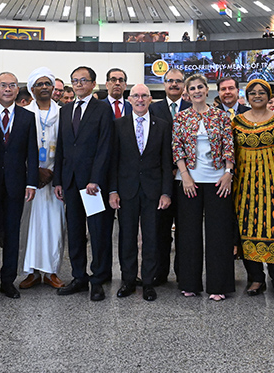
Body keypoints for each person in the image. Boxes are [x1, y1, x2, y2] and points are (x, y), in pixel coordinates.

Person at [233, 79, 274, 301]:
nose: (257, 96)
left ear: (269, 94)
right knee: (247, 230)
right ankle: (256, 278)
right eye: (252, 93)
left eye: (262, 92)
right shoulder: (237, 122)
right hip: (245, 189)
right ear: (247, 96)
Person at [171, 74, 235, 301]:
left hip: (218, 180)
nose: (197, 91)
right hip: (189, 181)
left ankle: (219, 285)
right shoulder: (180, 118)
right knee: (188, 233)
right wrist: (186, 176)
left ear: (207, 90)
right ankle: (189, 282)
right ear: (187, 93)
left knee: (219, 234)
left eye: (200, 87)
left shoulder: (221, 116)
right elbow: (176, 148)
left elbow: (229, 144)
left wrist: (228, 173)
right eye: (192, 88)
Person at [52, 67, 114, 301]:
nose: (78, 84)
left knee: (97, 231)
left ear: (93, 83)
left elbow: (105, 147)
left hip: (92, 184)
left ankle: (98, 278)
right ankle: (79, 276)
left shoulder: (103, 109)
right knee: (75, 231)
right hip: (69, 181)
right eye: (75, 81)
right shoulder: (66, 110)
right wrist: (58, 179)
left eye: (83, 80)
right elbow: (62, 147)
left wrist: (95, 179)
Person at [109, 84, 172, 301]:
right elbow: (113, 161)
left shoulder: (163, 126)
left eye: (144, 95)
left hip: (153, 191)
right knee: (126, 237)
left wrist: (166, 192)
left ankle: (148, 282)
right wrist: (113, 191)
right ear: (129, 99)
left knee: (151, 237)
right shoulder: (118, 125)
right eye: (136, 95)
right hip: (126, 190)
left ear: (150, 99)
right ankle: (128, 280)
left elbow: (166, 162)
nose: (140, 99)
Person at [0, 72, 38, 300]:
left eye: (12, 85)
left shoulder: (26, 117)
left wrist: (31, 181)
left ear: (17, 89)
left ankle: (8, 281)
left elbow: (31, 152)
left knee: (13, 234)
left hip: (16, 183)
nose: (7, 89)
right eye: (3, 85)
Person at [18, 68, 65, 290]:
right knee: (30, 227)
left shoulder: (63, 114)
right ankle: (32, 272)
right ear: (32, 89)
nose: (44, 87)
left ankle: (51, 271)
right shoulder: (24, 113)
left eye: (48, 83)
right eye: (39, 84)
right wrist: (35, 171)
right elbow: (18, 149)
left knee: (55, 226)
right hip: (31, 180)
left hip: (55, 179)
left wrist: (54, 173)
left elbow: (68, 147)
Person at [149, 67, 190, 286]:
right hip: (160, 179)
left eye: (178, 81)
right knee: (160, 230)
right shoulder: (153, 109)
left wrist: (181, 168)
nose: (174, 85)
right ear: (164, 84)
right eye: (170, 81)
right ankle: (159, 273)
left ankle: (184, 273)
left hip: (188, 179)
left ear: (183, 85)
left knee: (185, 229)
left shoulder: (194, 108)